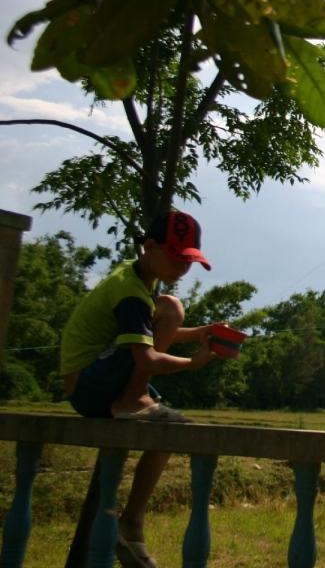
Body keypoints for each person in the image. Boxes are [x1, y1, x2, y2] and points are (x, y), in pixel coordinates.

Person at [59, 209, 227, 568]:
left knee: (172, 429)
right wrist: (194, 363)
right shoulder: (133, 293)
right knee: (171, 307)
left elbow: (144, 335)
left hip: (96, 378)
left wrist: (199, 333)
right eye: (177, 257)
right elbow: (147, 358)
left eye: (190, 260)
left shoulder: (137, 280)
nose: (184, 267)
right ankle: (132, 399)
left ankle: (131, 525)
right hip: (89, 384)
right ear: (149, 247)